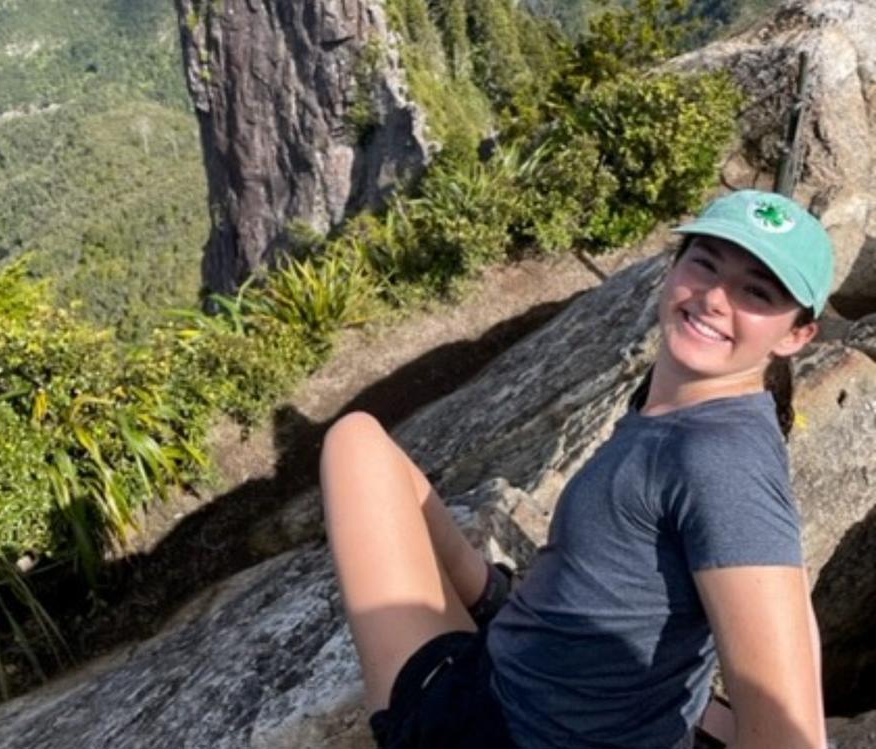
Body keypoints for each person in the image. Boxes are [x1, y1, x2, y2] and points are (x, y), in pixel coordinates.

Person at [319, 189, 833, 749]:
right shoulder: (689, 412)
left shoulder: (720, 460)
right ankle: (490, 597)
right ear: (673, 265)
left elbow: (790, 731)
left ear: (797, 335)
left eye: (756, 292)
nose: (714, 297)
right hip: (528, 683)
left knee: (354, 443)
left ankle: (486, 603)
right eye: (705, 263)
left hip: (494, 728)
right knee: (365, 447)